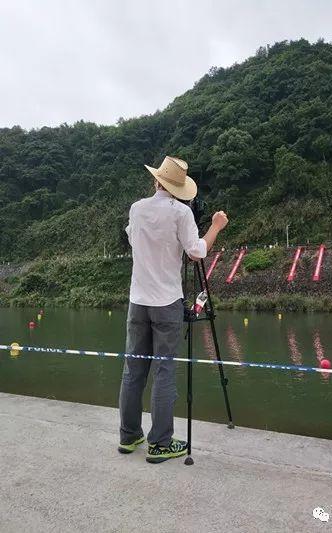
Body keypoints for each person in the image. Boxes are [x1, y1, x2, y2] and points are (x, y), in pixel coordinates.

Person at [119, 155, 228, 463]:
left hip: (138, 301)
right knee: (164, 370)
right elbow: (196, 252)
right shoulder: (181, 213)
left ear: (156, 181)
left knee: (133, 370)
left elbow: (133, 238)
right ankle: (160, 443)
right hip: (166, 303)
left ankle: (129, 436)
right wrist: (215, 226)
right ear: (180, 188)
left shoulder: (137, 209)